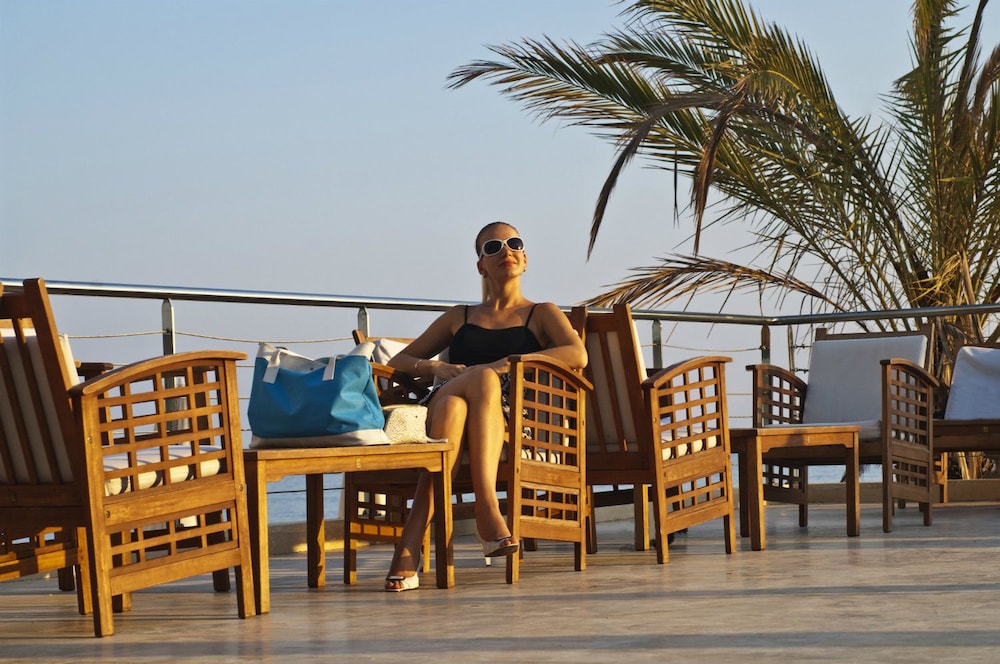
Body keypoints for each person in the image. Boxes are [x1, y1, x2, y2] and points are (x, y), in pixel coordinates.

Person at [383, 221, 588, 592]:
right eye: (492, 247)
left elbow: (577, 354)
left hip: (506, 414)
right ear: (480, 265)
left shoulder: (541, 312)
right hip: (442, 393)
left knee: (458, 406)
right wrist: (435, 367)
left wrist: (502, 365)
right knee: (469, 387)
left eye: (514, 243)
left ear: (525, 259)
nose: (505, 251)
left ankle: (408, 546)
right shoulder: (459, 316)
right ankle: (487, 508)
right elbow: (401, 359)